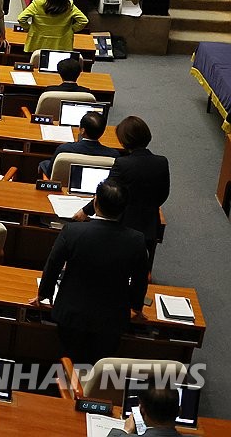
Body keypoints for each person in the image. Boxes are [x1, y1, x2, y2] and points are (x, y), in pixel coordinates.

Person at [35, 180, 148, 364]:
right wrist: (137, 307)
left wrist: (44, 294)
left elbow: (53, 264)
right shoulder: (136, 240)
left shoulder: (72, 231)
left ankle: (69, 388)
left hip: (71, 315)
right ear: (123, 209)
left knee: (69, 361)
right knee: (101, 366)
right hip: (112, 319)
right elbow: (139, 279)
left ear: (95, 203)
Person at [78, 116, 169, 266]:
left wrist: (85, 211)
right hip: (150, 223)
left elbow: (106, 191)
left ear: (124, 140)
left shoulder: (122, 163)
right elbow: (163, 194)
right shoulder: (162, 161)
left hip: (124, 224)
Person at [18, 0, 89, 54]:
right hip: (61, 46)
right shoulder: (69, 6)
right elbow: (83, 21)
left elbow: (21, 18)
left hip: (37, 44)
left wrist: (29, 28)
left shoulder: (38, 3)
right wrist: (71, 29)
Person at [39, 111, 119, 178]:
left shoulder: (64, 150)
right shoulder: (113, 155)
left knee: (45, 163)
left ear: (82, 131)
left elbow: (50, 174)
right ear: (103, 132)